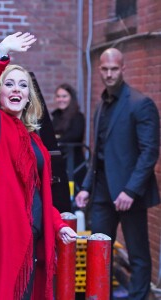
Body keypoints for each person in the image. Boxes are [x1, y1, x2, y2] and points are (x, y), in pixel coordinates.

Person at [0, 32, 77, 300]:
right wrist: (0, 55)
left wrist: (57, 224)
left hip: (26, 239)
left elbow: (36, 193)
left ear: (29, 96)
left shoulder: (34, 139)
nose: (17, 90)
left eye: (23, 86)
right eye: (9, 84)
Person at [75, 48, 160, 299]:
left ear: (123, 69)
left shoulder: (140, 103)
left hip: (129, 194)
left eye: (114, 69)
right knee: (99, 250)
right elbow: (99, 154)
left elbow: (149, 152)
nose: (109, 74)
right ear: (100, 69)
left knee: (138, 254)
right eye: (105, 69)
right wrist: (86, 187)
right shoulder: (101, 105)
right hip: (102, 193)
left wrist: (131, 190)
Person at [51, 83, 87, 196]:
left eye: (64, 96)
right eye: (58, 96)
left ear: (71, 98)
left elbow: (74, 135)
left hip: (74, 164)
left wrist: (58, 140)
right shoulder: (56, 117)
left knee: (73, 196)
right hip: (59, 163)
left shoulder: (78, 117)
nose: (61, 99)